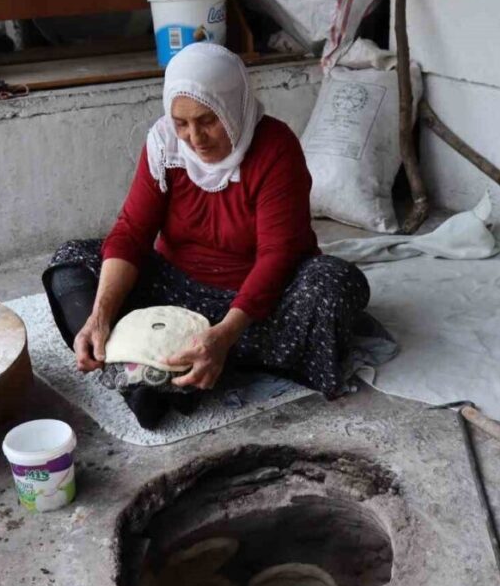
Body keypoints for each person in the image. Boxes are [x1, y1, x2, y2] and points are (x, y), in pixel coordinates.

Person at [43, 43, 369, 429]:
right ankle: (132, 368)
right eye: (181, 122)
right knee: (74, 261)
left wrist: (226, 333)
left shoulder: (275, 149)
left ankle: (169, 367)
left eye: (207, 120)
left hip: (256, 302)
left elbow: (277, 255)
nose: (195, 138)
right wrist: (100, 316)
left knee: (333, 285)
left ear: (233, 106)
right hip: (176, 289)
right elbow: (132, 232)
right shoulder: (165, 144)